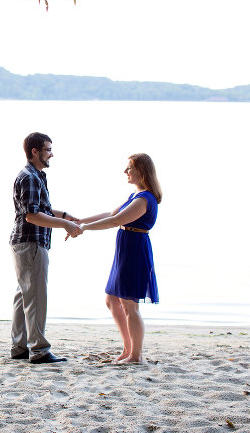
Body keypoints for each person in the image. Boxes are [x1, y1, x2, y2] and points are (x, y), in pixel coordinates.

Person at [76, 153, 162, 364]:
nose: (126, 172)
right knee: (112, 300)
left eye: (129, 168)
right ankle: (128, 349)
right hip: (125, 249)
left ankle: (136, 356)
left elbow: (116, 221)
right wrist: (78, 221)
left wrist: (85, 229)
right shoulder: (135, 195)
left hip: (135, 251)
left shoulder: (145, 198)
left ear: (141, 170)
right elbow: (109, 214)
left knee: (130, 304)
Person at [10, 132, 82, 364]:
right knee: (36, 296)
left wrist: (64, 216)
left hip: (25, 242)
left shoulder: (36, 175)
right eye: (48, 149)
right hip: (31, 242)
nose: (52, 153)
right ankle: (39, 350)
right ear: (35, 151)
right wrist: (64, 224)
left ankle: (20, 347)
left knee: (24, 295)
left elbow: (40, 209)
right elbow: (32, 216)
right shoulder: (30, 177)